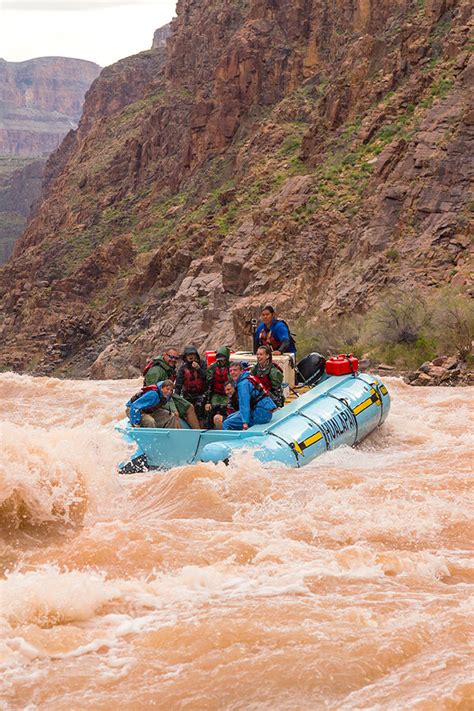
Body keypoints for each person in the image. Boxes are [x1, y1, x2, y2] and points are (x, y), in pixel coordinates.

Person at [143, 347, 200, 429]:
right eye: (171, 357)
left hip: (167, 395)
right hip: (157, 399)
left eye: (176, 358)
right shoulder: (155, 371)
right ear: (164, 355)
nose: (173, 360)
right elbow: (152, 393)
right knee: (175, 414)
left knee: (189, 407)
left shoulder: (168, 369)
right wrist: (173, 408)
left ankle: (197, 434)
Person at [223, 361, 276, 431]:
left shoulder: (243, 384)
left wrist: (245, 422)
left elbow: (244, 404)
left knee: (227, 423)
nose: (232, 372)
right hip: (265, 411)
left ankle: (230, 441)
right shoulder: (248, 377)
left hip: (261, 414)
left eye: (235, 370)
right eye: (231, 371)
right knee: (229, 417)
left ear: (241, 371)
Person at [174, 346, 207, 422]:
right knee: (188, 411)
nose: (191, 357)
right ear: (186, 357)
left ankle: (201, 427)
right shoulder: (183, 369)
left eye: (193, 354)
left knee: (200, 411)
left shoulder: (202, 365)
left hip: (201, 394)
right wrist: (176, 399)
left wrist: (198, 369)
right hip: (188, 395)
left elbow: (207, 377)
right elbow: (178, 386)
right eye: (189, 355)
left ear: (196, 355)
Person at [205, 346, 231, 425]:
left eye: (223, 359)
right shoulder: (212, 367)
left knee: (227, 409)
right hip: (216, 394)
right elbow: (208, 385)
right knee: (212, 408)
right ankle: (209, 426)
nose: (221, 361)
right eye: (219, 359)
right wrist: (208, 401)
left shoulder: (231, 367)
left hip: (228, 394)